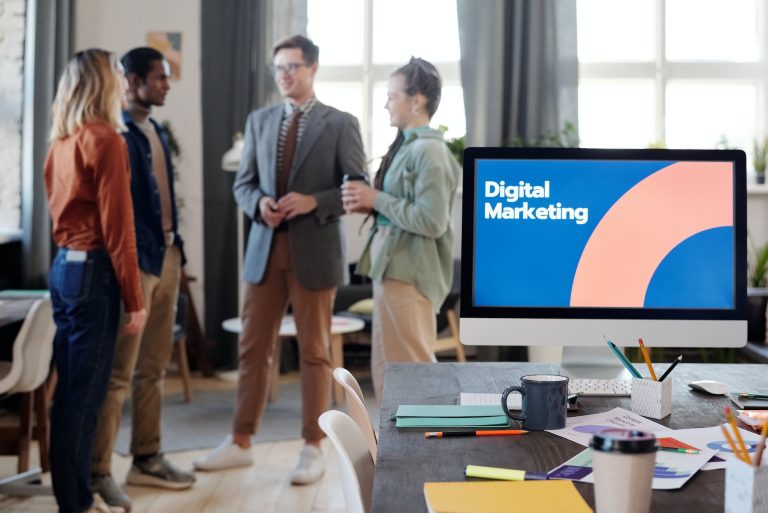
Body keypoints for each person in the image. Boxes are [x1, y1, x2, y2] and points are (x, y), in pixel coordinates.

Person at [193, 35, 365, 484]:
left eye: (292, 66)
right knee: (252, 348)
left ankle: (313, 445)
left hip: (315, 253)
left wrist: (314, 201)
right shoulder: (259, 121)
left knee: (314, 352)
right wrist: (257, 204)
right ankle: (240, 441)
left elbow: (355, 187)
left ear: (312, 68)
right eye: (278, 69)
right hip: (264, 251)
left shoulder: (341, 122)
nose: (284, 75)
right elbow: (242, 184)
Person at [89, 47, 194, 511]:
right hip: (137, 263)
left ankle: (146, 456)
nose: (167, 85)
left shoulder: (155, 129)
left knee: (154, 369)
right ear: (131, 80)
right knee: (119, 374)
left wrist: (177, 255)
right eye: (159, 78)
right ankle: (97, 472)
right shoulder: (115, 133)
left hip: (168, 255)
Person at [45, 48, 148, 513]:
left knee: (70, 392)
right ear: (103, 84)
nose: (124, 83)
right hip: (93, 273)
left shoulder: (62, 141)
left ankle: (75, 494)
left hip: (64, 269)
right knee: (84, 397)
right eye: (116, 75)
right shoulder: (106, 138)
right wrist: (135, 296)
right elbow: (118, 228)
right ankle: (77, 502)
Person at [341, 57, 460, 401]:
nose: (386, 103)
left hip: (409, 277)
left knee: (413, 371)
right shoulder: (411, 148)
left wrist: (376, 199)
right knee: (389, 368)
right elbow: (403, 211)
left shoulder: (430, 152)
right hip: (394, 273)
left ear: (417, 99)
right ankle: (394, 450)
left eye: (392, 96)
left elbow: (432, 221)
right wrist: (372, 204)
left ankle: (427, 452)